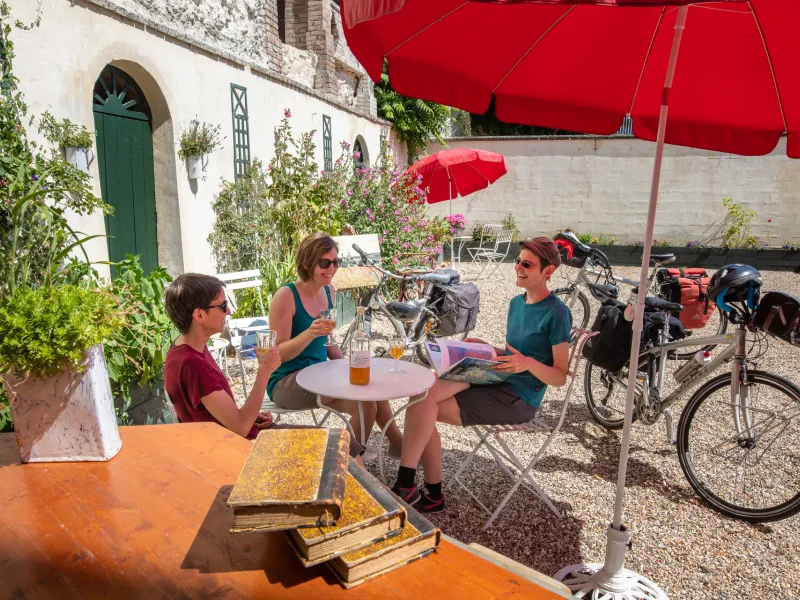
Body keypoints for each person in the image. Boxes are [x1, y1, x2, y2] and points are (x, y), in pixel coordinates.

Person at [391, 237, 572, 513]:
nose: (518, 268)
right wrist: (487, 348)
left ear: (548, 272)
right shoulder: (516, 303)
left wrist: (527, 364)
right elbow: (514, 353)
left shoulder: (558, 313)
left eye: (527, 264)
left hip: (518, 399)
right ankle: (420, 489)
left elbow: (559, 376)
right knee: (423, 393)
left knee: (424, 406)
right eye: (518, 261)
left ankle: (411, 488)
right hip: (496, 377)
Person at [268, 232, 404, 459]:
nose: (331, 268)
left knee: (368, 387)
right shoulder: (286, 296)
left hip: (320, 375)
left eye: (335, 262)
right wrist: (309, 333)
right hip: (287, 381)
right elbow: (277, 354)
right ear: (306, 263)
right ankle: (356, 459)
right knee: (365, 401)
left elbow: (329, 343)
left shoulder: (329, 291)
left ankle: (358, 457)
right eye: (324, 263)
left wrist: (349, 366)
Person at [164, 274, 280, 439]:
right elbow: (240, 428)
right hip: (234, 452)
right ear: (199, 316)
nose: (229, 311)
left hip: (228, 440)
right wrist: (265, 371)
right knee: (326, 443)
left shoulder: (185, 349)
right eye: (222, 305)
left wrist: (251, 415)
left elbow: (221, 416)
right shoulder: (192, 364)